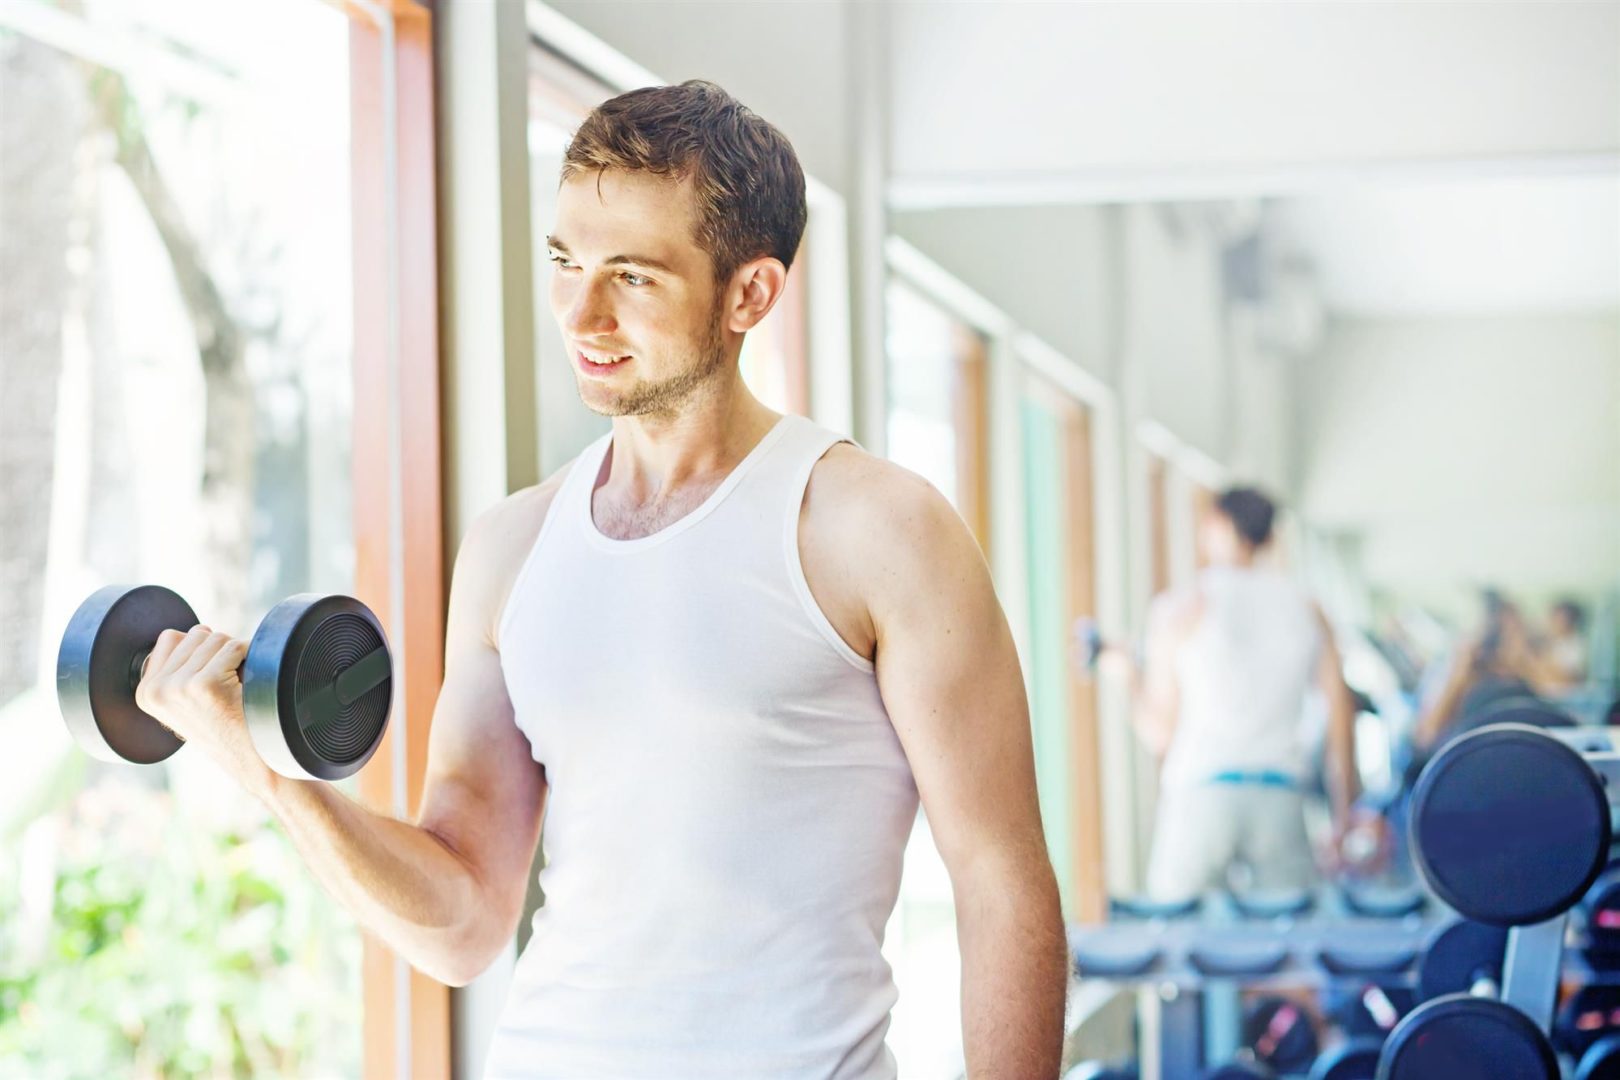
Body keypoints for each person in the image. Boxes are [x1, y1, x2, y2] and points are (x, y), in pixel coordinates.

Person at [126, 81, 1067, 1078]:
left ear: (749, 294)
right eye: (567, 263)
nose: (582, 311)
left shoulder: (876, 529)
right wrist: (268, 772)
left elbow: (1002, 885)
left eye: (633, 276)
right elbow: (462, 921)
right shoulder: (510, 547)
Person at [1100, 487, 1364, 900]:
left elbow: (1159, 734)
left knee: (1178, 941)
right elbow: (1341, 719)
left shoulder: (1183, 607)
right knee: (1290, 943)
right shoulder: (1307, 609)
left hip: (1202, 794)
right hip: (1280, 798)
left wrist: (1125, 676)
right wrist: (1347, 814)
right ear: (1269, 539)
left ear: (1216, 528)